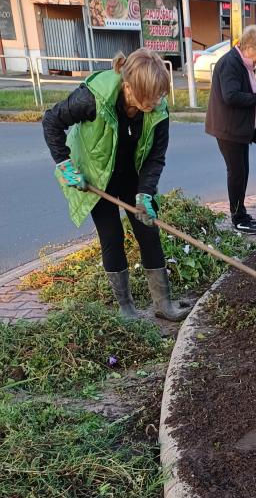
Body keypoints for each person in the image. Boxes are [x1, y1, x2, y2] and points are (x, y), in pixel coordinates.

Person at [43, 48, 190, 322]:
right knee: (112, 237)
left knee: (149, 231)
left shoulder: (157, 110)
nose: (157, 102)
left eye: (160, 95)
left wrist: (145, 193)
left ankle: (163, 303)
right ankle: (125, 308)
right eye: (150, 96)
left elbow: (155, 157)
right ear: (129, 87)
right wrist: (65, 164)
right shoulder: (93, 97)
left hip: (130, 173)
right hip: (96, 175)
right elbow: (51, 121)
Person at [204, 24, 256, 234]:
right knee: (236, 173)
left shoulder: (243, 63)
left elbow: (245, 89)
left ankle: (241, 212)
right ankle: (237, 218)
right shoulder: (230, 63)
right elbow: (231, 96)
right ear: (249, 47)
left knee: (242, 172)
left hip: (240, 129)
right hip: (229, 128)